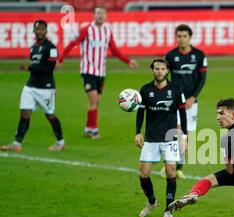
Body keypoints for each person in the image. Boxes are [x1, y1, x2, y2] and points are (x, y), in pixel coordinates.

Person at [57, 6, 138, 139]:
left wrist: (128, 61)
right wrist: (60, 58)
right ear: (94, 15)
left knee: (95, 102)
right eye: (98, 13)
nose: (100, 16)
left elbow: (114, 50)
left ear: (106, 16)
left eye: (103, 13)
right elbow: (72, 43)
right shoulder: (86, 30)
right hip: (88, 71)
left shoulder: (107, 31)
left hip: (101, 72)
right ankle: (94, 130)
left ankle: (88, 128)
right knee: (93, 100)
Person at [135, 58, 187, 217]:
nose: (159, 71)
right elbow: (140, 113)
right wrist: (137, 133)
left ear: (167, 71)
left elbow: (183, 114)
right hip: (151, 138)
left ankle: (169, 208)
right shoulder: (145, 90)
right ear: (152, 70)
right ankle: (152, 201)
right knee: (143, 174)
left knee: (171, 172)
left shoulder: (176, 89)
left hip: (170, 137)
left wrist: (184, 136)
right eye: (156, 68)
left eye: (162, 69)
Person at [1, 20, 65, 152]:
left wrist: (29, 67)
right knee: (24, 113)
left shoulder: (51, 48)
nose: (40, 31)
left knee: (50, 115)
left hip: (45, 87)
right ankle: (17, 143)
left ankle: (60, 142)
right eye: (38, 29)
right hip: (30, 86)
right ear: (34, 31)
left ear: (46, 31)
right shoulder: (33, 48)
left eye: (42, 29)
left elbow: (49, 69)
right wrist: (31, 69)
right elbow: (37, 66)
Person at [161, 24, 208, 179]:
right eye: (179, 36)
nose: (181, 39)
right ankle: (170, 165)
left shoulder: (199, 55)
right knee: (175, 133)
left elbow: (202, 79)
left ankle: (178, 167)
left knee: (185, 136)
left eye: (184, 36)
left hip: (191, 103)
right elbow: (164, 78)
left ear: (190, 37)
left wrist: (193, 97)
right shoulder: (170, 56)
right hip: (175, 102)